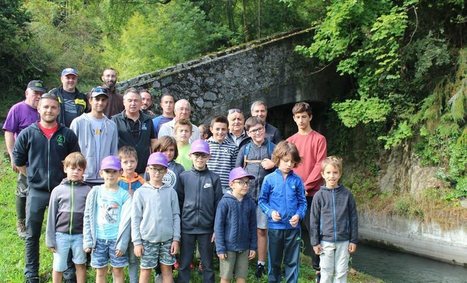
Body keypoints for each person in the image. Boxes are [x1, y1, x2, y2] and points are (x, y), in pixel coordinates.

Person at [13, 93, 80, 283]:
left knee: (64, 232)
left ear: (58, 110)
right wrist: (33, 177)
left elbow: (75, 160)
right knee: (32, 233)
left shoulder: (67, 134)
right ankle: (31, 273)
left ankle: (68, 270)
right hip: (36, 191)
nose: (49, 110)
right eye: (46, 107)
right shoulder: (28, 133)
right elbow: (18, 161)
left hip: (62, 191)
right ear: (39, 109)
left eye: (53, 107)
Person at [286, 102, 327, 280]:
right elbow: (288, 165)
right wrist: (295, 187)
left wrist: (306, 185)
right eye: (298, 117)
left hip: (313, 194)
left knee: (315, 229)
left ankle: (318, 269)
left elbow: (320, 165)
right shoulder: (291, 141)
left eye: (304, 116)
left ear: (310, 117)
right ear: (294, 119)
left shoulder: (319, 139)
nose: (301, 120)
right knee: (290, 228)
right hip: (293, 193)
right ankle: (288, 266)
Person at [258, 141, 307, 283]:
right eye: (286, 161)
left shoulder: (297, 181)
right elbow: (262, 201)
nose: (289, 164)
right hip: (275, 228)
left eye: (292, 162)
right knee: (274, 262)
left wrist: (299, 215)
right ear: (278, 159)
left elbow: (303, 203)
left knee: (292, 262)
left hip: (293, 229)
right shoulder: (269, 179)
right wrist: (271, 212)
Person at [176, 139, 223, 283]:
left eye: (203, 155)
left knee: (208, 264)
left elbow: (218, 205)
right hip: (187, 227)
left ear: (208, 157)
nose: (200, 158)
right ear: (190, 156)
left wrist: (216, 228)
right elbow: (179, 202)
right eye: (196, 155)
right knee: (184, 264)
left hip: (207, 228)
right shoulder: (184, 177)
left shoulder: (214, 178)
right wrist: (179, 226)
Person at [3, 80, 45, 238]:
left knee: (39, 190)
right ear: (27, 93)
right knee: (23, 189)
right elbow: (9, 132)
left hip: (42, 159)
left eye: (41, 94)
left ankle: (35, 219)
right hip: (25, 160)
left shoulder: (44, 110)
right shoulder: (18, 109)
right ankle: (21, 221)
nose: (38, 97)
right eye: (35, 93)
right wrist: (13, 155)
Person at [235, 116, 275, 278]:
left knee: (261, 230)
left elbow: (285, 166)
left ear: (264, 129)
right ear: (248, 133)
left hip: (266, 198)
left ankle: (261, 263)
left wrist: (275, 164)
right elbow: (236, 171)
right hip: (247, 195)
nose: (258, 132)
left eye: (260, 129)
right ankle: (241, 260)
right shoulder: (245, 149)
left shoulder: (273, 148)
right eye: (253, 130)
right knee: (242, 226)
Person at [132, 152, 181, 283]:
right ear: (148, 169)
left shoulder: (171, 192)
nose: (157, 173)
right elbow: (135, 218)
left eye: (160, 169)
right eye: (154, 169)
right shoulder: (140, 192)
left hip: (168, 240)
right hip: (147, 239)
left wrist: (176, 239)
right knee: (145, 270)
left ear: (166, 171)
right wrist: (137, 242)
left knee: (167, 269)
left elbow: (176, 216)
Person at [83, 156, 131, 283]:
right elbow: (88, 216)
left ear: (121, 172)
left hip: (116, 240)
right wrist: (88, 240)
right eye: (107, 171)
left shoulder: (124, 195)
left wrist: (122, 243)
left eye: (114, 171)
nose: (111, 175)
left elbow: (127, 222)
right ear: (101, 173)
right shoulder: (95, 192)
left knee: (118, 271)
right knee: (100, 272)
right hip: (98, 239)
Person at [310, 156, 358, 283]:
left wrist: (353, 240)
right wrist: (315, 242)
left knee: (341, 273)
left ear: (340, 174)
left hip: (344, 241)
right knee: (326, 272)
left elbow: (353, 218)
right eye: (328, 172)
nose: (332, 176)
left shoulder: (347, 194)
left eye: (335, 172)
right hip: (326, 242)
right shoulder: (318, 196)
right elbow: (314, 221)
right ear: (322, 174)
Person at [46, 152, 91, 283]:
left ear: (83, 171)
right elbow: (51, 216)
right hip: (61, 236)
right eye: (72, 168)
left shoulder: (88, 190)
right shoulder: (57, 191)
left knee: (81, 264)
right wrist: (50, 239)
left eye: (79, 169)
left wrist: (88, 238)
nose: (75, 172)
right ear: (65, 168)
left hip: (80, 236)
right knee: (58, 266)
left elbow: (89, 216)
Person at [214, 167, 257, 283]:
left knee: (242, 277)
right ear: (231, 184)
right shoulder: (224, 202)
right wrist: (220, 248)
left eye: (247, 182)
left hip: (244, 247)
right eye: (241, 182)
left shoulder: (250, 203)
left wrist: (253, 246)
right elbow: (218, 226)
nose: (245, 185)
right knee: (225, 277)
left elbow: (253, 226)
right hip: (228, 248)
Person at [70, 86, 118, 186]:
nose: (100, 103)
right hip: (82, 177)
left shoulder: (111, 125)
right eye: (97, 99)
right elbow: (71, 152)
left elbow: (114, 152)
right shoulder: (78, 122)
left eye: (103, 100)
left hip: (104, 178)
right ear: (90, 100)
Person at [112, 88, 157, 175]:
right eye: (130, 100)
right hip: (122, 171)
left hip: (144, 170)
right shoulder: (114, 121)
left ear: (140, 103)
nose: (133, 103)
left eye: (136, 100)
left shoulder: (148, 120)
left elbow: (153, 142)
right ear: (124, 102)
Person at [117, 146, 145, 283]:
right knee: (119, 257)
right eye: (126, 162)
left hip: (136, 225)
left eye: (132, 161)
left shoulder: (141, 182)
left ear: (137, 162)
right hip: (120, 225)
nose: (129, 165)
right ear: (120, 163)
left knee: (134, 258)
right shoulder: (117, 181)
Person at [207, 116, 238, 193]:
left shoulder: (233, 147)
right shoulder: (205, 145)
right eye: (217, 129)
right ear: (211, 129)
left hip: (226, 189)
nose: (220, 132)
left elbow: (234, 170)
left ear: (227, 130)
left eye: (223, 129)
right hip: (208, 186)